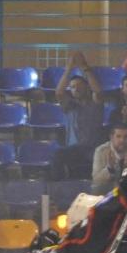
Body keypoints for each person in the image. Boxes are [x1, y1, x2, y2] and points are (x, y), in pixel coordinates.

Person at [51, 50, 104, 179]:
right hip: (73, 150)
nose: (77, 89)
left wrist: (84, 67)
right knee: (57, 156)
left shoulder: (95, 105)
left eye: (80, 86)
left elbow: (98, 91)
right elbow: (59, 93)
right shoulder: (69, 106)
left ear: (87, 87)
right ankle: (57, 187)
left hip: (91, 149)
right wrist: (69, 68)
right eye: (73, 87)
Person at [91, 123, 127, 195]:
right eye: (118, 136)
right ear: (111, 137)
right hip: (105, 194)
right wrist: (109, 168)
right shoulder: (101, 151)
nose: (122, 140)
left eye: (126, 137)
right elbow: (96, 181)